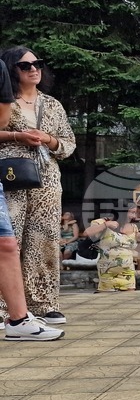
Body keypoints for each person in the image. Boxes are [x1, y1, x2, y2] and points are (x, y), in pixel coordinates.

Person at [0, 47, 77, 325]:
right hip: (11, 176)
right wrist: (18, 137)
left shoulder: (52, 104)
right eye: (25, 65)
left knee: (44, 241)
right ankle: (5, 308)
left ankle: (44, 304)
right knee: (9, 241)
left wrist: (48, 139)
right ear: (11, 69)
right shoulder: (4, 101)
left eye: (38, 64)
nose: (34, 69)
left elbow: (68, 143)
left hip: (47, 180)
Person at [83, 207, 140, 292]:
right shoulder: (104, 221)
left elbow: (135, 246)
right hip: (108, 270)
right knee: (106, 297)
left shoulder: (134, 226)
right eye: (131, 212)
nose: (134, 216)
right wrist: (106, 225)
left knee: (130, 298)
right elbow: (86, 233)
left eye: (135, 213)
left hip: (128, 269)